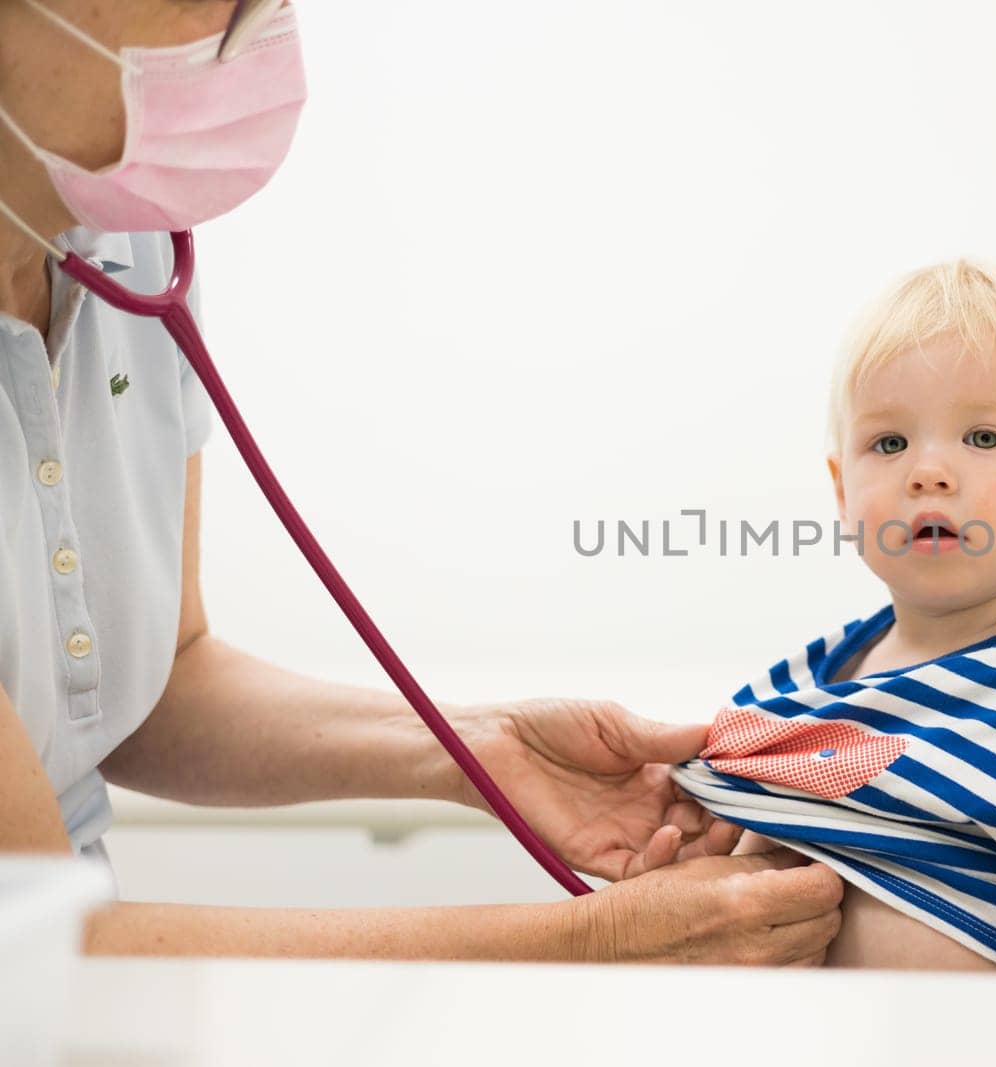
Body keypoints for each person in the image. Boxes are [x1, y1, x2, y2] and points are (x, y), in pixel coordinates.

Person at [0, 0, 841, 965]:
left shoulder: (128, 245)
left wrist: (483, 746)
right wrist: (596, 943)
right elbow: (31, 946)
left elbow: (155, 680)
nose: (255, 29)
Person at [673, 260, 996, 975]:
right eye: (889, 443)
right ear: (844, 493)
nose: (928, 471)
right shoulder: (809, 681)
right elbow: (757, 839)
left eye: (981, 438)